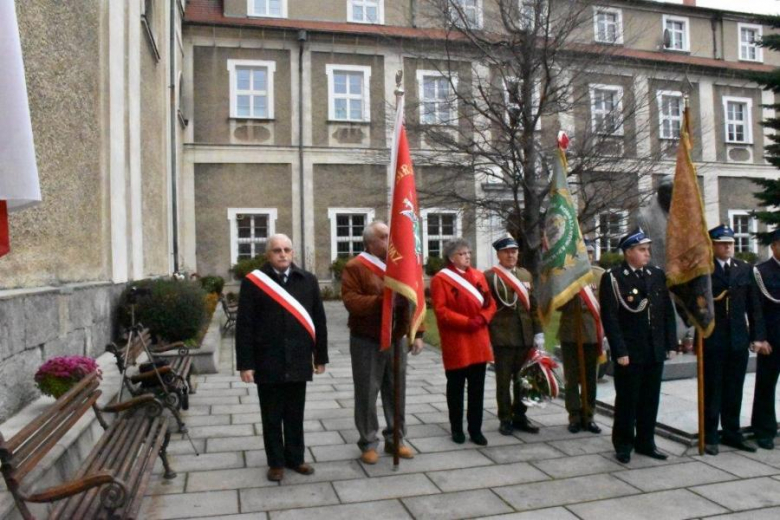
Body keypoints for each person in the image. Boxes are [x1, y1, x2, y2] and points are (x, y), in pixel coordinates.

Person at [235, 234, 328, 482]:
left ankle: (296, 458)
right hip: (268, 359)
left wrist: (321, 356)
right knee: (272, 415)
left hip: (298, 358)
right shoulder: (254, 282)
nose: (283, 254)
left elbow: (319, 320)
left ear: (293, 253)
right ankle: (275, 462)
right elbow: (244, 326)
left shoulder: (307, 280)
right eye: (277, 250)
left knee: (295, 413)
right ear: (268, 254)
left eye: (287, 249)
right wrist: (245, 364)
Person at [341, 221, 424, 465]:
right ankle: (368, 442)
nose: (391, 239)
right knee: (367, 391)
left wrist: (418, 332)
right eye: (384, 236)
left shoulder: (399, 265)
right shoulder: (355, 267)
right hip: (367, 339)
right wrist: (383, 301)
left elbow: (415, 297)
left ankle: (396, 438)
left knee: (396, 389)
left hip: (397, 337)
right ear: (370, 242)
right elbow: (352, 302)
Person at [599, 227, 677, 464]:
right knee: (627, 400)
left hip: (654, 348)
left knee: (650, 399)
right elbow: (610, 318)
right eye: (642, 250)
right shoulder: (613, 278)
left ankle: (646, 441)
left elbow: (666, 312)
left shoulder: (655, 274)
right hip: (630, 351)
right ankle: (623, 443)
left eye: (647, 250)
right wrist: (619, 350)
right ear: (628, 252)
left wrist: (670, 343)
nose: (647, 254)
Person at [702, 224, 766, 455]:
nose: (728, 247)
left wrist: (758, 336)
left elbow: (754, 306)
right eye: (723, 243)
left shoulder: (743, 268)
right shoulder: (705, 269)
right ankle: (709, 434)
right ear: (712, 245)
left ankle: (732, 432)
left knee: (734, 388)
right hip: (713, 338)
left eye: (730, 243)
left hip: (738, 338)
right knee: (713, 388)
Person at [431, 238, 497, 445]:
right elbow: (441, 311)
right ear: (451, 257)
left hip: (478, 338)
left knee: (477, 388)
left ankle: (475, 429)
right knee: (456, 388)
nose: (467, 256)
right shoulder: (441, 280)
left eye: (468, 252)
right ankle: (456, 428)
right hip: (457, 340)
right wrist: (466, 322)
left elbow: (490, 303)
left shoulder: (478, 275)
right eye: (462, 253)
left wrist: (483, 318)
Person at [484, 236, 544, 436]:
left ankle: (520, 415)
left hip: (525, 335)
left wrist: (538, 332)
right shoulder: (490, 277)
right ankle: (505, 418)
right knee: (503, 380)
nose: (511, 255)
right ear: (499, 254)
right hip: (503, 336)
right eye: (506, 252)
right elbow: (486, 307)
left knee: (523, 379)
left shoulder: (525, 274)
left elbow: (533, 306)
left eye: (514, 251)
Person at [558, 240, 604, 434]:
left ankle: (589, 414)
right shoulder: (565, 276)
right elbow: (556, 304)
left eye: (590, 254)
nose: (588, 257)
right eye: (584, 254)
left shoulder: (600, 275)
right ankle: (574, 416)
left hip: (593, 332)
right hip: (571, 331)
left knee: (590, 377)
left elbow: (607, 305)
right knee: (572, 377)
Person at [751, 228, 780, 450]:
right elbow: (757, 310)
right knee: (766, 385)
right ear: (774, 246)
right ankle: (764, 429)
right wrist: (760, 338)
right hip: (772, 339)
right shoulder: (761, 272)